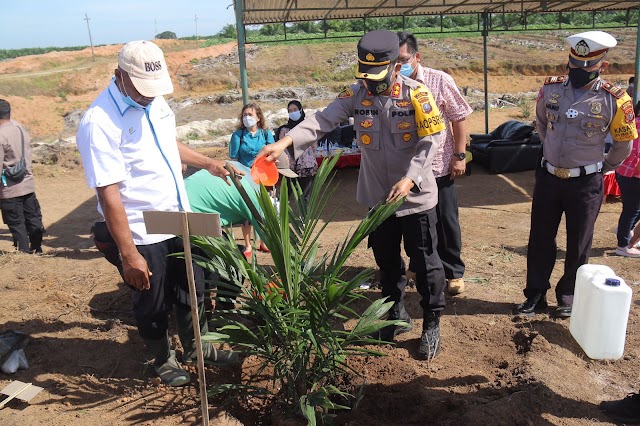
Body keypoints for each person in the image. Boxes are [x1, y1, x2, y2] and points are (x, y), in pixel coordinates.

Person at [258, 30, 447, 360]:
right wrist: (285, 143)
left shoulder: (417, 94)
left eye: (377, 77)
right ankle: (396, 314)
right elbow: (322, 119)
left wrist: (410, 178)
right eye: (366, 76)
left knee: (426, 263)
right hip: (379, 198)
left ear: (394, 67)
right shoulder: (356, 95)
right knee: (387, 263)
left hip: (415, 197)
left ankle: (431, 322)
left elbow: (431, 141)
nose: (371, 85)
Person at [76, 40, 240, 387]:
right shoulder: (99, 122)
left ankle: (198, 347)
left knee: (192, 287)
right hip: (142, 225)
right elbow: (108, 194)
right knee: (152, 297)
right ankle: (162, 358)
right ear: (119, 76)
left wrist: (208, 162)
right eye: (142, 89)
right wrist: (128, 253)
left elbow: (168, 143)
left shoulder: (154, 100)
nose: (150, 96)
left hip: (178, 214)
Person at [516, 31, 637, 318]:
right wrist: (551, 152)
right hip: (548, 177)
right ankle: (535, 295)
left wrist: (602, 167)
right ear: (569, 61)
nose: (579, 71)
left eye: (587, 67)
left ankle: (568, 295)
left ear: (602, 66)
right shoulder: (551, 89)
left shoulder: (615, 99)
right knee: (540, 238)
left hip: (586, 182)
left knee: (579, 241)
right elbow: (542, 124)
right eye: (574, 64)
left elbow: (624, 144)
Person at [397, 31, 473, 295]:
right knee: (414, 222)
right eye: (394, 60)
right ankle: (418, 266)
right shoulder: (391, 84)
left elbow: (459, 117)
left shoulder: (439, 80)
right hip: (408, 170)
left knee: (446, 220)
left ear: (417, 57)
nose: (399, 65)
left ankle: (453, 272)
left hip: (439, 165)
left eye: (403, 59)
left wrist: (460, 155)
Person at [229, 103, 274, 258]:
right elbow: (233, 158)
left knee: (263, 209)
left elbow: (272, 154)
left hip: (263, 177)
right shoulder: (238, 135)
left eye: (250, 114)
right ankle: (248, 245)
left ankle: (263, 241)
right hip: (244, 177)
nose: (247, 117)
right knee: (247, 211)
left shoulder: (266, 134)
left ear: (258, 117)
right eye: (244, 115)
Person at [0, 99, 45, 254]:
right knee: (33, 218)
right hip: (27, 184)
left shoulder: (0, 135)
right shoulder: (20, 128)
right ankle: (37, 248)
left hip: (9, 190)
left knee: (16, 222)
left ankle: (24, 254)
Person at [276, 100, 318, 203]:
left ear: (300, 110)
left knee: (306, 197)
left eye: (295, 109)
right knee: (285, 195)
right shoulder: (284, 130)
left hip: (307, 167)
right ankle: (283, 217)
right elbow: (281, 148)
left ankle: (304, 218)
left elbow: (314, 146)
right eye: (290, 111)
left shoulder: (309, 126)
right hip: (289, 168)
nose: (292, 112)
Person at [614, 101, 640, 257]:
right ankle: (623, 245)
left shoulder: (632, 122)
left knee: (631, 209)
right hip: (634, 175)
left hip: (622, 170)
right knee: (631, 210)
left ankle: (624, 230)